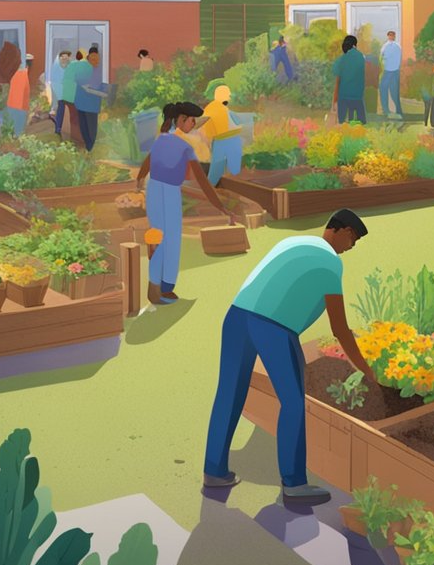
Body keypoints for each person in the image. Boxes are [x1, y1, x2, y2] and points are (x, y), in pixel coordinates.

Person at [202, 209, 375, 504]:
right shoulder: (331, 263)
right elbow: (339, 328)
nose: (351, 247)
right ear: (342, 230)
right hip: (274, 328)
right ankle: (294, 484)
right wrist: (367, 370)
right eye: (353, 240)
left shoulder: (291, 243)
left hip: (237, 316)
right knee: (293, 402)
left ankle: (214, 470)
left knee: (229, 393)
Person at [135, 101, 231, 305]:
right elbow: (203, 183)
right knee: (170, 240)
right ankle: (163, 288)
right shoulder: (185, 147)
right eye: (191, 120)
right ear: (181, 120)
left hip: (154, 188)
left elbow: (148, 163)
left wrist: (139, 179)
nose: (194, 124)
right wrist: (220, 207)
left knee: (157, 236)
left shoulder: (161, 140)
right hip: (168, 191)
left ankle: (156, 284)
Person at [202, 81, 245, 186]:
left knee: (232, 170)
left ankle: (225, 188)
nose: (229, 96)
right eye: (227, 94)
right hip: (223, 141)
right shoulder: (213, 108)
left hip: (230, 140)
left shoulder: (222, 108)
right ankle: (210, 190)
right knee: (218, 169)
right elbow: (207, 129)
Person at [74, 46, 108, 151]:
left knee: (86, 127)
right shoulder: (87, 68)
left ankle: (89, 148)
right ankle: (90, 148)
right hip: (88, 102)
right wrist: (104, 94)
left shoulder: (87, 67)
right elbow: (87, 88)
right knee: (90, 127)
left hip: (84, 102)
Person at [332, 34, 367, 124]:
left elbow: (337, 81)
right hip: (357, 97)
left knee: (342, 124)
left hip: (343, 96)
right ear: (355, 45)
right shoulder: (361, 57)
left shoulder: (341, 60)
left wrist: (334, 100)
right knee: (361, 125)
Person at [58, 49, 88, 142]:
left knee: (73, 115)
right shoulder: (72, 66)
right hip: (69, 94)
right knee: (72, 114)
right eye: (62, 57)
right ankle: (76, 136)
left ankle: (75, 135)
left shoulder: (72, 66)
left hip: (69, 94)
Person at [6, 54, 33, 135]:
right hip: (18, 108)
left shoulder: (17, 73)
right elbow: (19, 94)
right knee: (18, 131)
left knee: (14, 130)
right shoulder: (22, 74)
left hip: (14, 105)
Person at [379, 31, 403, 118]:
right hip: (395, 71)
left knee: (383, 88)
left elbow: (381, 58)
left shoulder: (385, 46)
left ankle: (386, 110)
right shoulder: (398, 46)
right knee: (394, 91)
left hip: (388, 71)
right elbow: (400, 58)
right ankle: (398, 111)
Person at [48, 50, 71, 131]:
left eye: (66, 57)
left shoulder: (70, 67)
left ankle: (60, 127)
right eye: (62, 57)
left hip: (67, 92)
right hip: (58, 91)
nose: (64, 59)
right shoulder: (56, 67)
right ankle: (58, 127)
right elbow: (53, 80)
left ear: (68, 58)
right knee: (60, 108)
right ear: (60, 58)